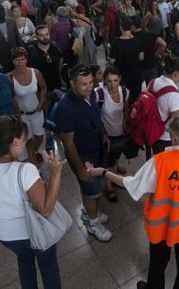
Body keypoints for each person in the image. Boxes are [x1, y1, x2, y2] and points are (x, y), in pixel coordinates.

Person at [86, 115, 179, 289]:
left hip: (162, 227)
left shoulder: (160, 163)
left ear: (174, 138)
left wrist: (103, 172)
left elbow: (130, 183)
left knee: (158, 265)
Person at [0, 115, 66, 289]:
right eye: (24, 139)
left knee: (24, 262)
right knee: (48, 266)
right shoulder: (25, 170)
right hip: (35, 232)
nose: (25, 143)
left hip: (6, 235)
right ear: (15, 142)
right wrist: (55, 173)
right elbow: (45, 210)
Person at [54, 64, 112, 242]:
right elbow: (68, 143)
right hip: (82, 155)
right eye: (84, 84)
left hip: (95, 148)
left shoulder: (91, 94)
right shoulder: (66, 107)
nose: (89, 87)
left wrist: (103, 134)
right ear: (72, 83)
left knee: (89, 187)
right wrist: (80, 168)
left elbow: (94, 116)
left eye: (91, 82)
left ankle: (89, 212)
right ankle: (93, 224)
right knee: (92, 189)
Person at [95, 66, 130, 203]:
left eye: (115, 80)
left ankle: (114, 172)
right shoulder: (99, 94)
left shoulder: (125, 92)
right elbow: (95, 116)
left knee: (115, 157)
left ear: (120, 79)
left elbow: (125, 111)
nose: (112, 84)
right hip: (106, 136)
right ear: (104, 81)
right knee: (107, 161)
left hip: (120, 132)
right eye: (109, 81)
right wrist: (102, 133)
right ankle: (109, 187)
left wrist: (127, 127)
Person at [8, 48, 48, 165]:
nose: (20, 63)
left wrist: (41, 103)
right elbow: (10, 98)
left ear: (26, 60)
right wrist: (16, 116)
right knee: (29, 142)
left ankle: (31, 154)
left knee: (40, 137)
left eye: (22, 59)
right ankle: (35, 168)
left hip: (37, 112)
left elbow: (44, 87)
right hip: (22, 116)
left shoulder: (35, 72)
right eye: (16, 60)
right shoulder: (9, 78)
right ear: (12, 62)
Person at [151, 57, 179, 154]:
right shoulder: (173, 94)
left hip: (152, 130)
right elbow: (177, 121)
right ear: (176, 74)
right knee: (165, 165)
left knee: (157, 161)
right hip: (165, 137)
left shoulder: (154, 82)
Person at [108, 16, 144, 104]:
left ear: (120, 27)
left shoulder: (116, 43)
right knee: (135, 99)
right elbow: (141, 57)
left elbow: (112, 61)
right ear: (131, 26)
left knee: (123, 98)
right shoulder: (137, 41)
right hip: (135, 74)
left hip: (122, 75)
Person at [132, 15, 167, 85]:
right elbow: (164, 44)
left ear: (132, 25)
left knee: (137, 90)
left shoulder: (132, 38)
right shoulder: (150, 35)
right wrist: (156, 53)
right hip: (151, 66)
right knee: (152, 89)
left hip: (139, 68)